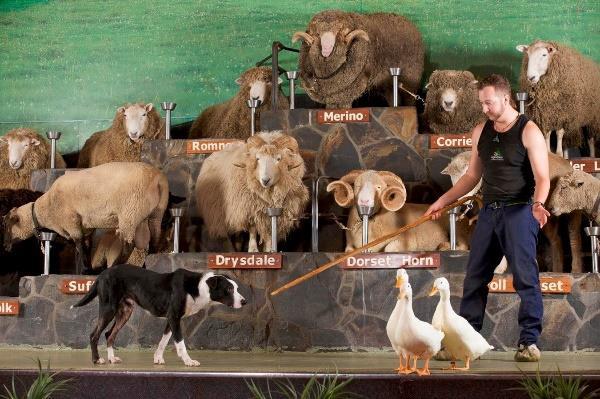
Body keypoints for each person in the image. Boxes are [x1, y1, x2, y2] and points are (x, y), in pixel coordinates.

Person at [425, 74, 550, 362]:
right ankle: (468, 343)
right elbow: (471, 175)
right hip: (489, 211)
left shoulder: (528, 130)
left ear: (506, 98)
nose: (484, 109)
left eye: (489, 103)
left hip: (520, 211)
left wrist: (539, 205)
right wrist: (442, 201)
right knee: (475, 278)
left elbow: (543, 178)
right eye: (482, 103)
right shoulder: (481, 130)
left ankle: (529, 342)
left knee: (525, 278)